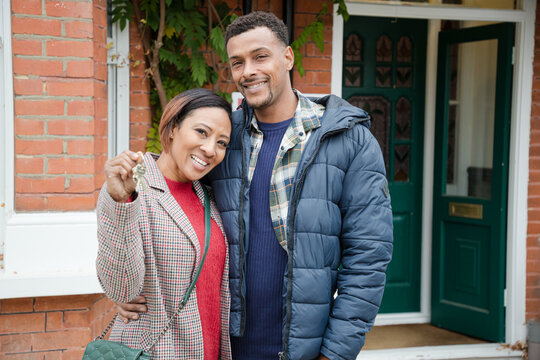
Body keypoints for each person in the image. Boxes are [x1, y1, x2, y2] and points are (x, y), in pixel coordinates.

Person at [118, 11, 393, 360]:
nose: (248, 71)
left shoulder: (349, 141)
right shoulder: (223, 141)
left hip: (305, 349)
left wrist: (336, 352)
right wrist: (127, 286)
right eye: (237, 62)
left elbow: (368, 258)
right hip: (224, 346)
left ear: (288, 57)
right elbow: (166, 194)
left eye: (260, 56)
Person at [96, 88, 233, 359]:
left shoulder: (208, 195)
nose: (210, 149)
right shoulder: (132, 189)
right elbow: (121, 288)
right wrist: (122, 203)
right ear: (172, 129)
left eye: (222, 142)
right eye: (202, 132)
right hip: (157, 352)